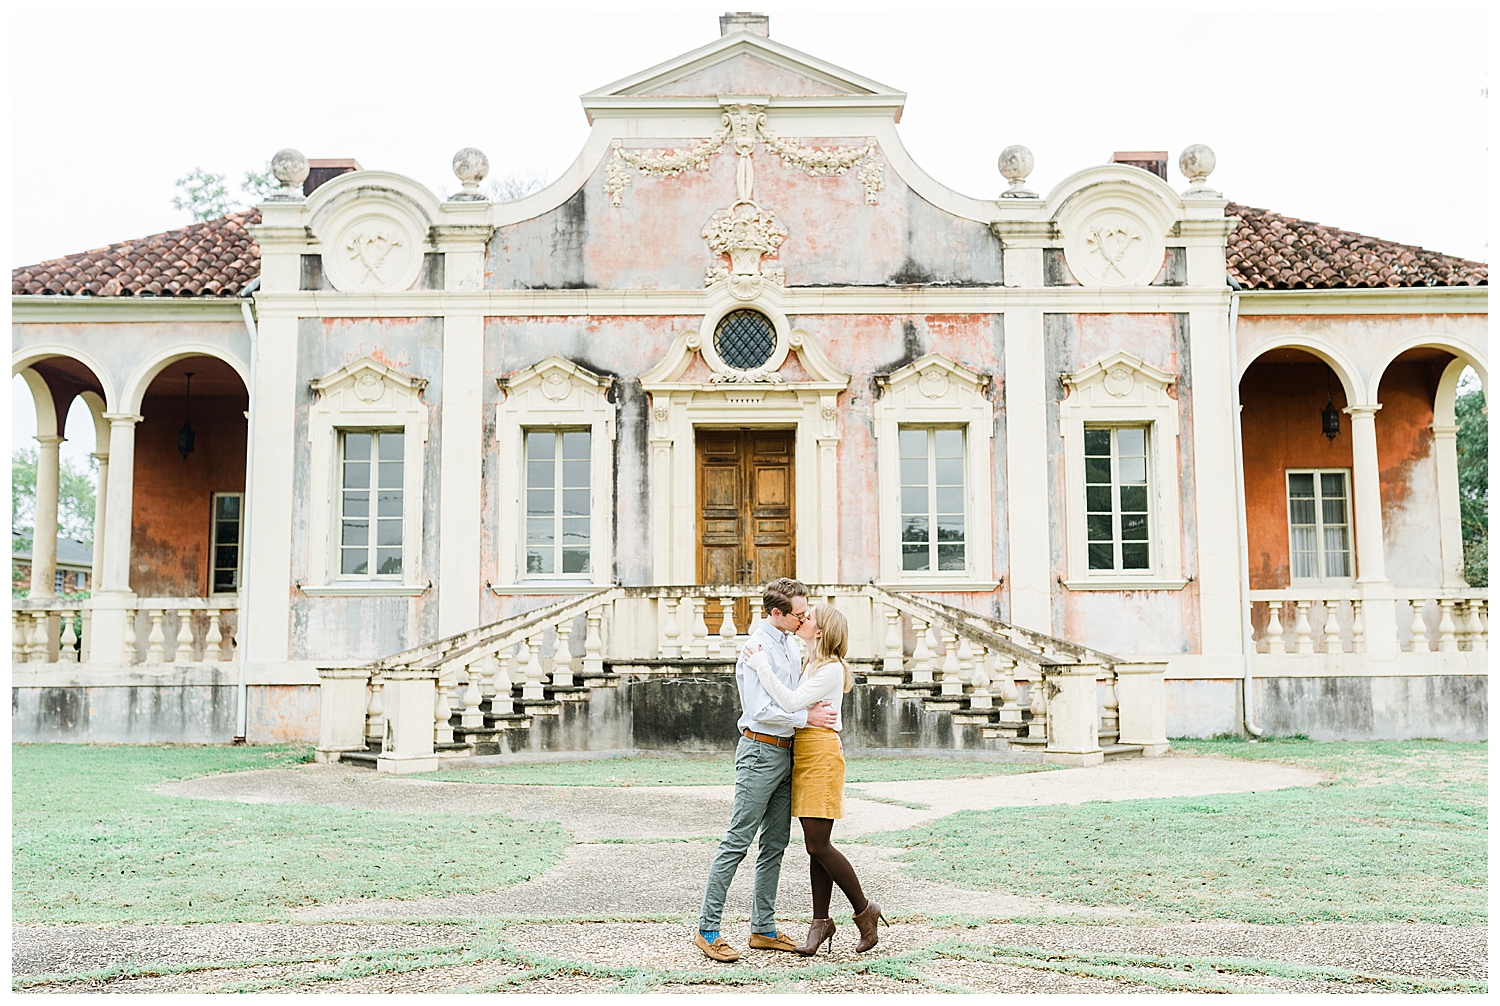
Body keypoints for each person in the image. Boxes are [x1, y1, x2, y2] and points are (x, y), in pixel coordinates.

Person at [693, 578, 838, 963]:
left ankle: (764, 929)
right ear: (777, 613)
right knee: (738, 841)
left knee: (775, 844)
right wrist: (805, 717)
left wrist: (805, 714)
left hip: (788, 752)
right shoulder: (755, 648)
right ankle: (708, 930)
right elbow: (760, 711)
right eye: (799, 614)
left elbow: (795, 692)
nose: (804, 619)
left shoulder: (789, 644)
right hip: (760, 751)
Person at [745, 603, 887, 955]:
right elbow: (799, 708)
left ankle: (864, 910)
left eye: (808, 619)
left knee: (817, 844)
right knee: (815, 842)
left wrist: (760, 664)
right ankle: (821, 921)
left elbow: (791, 701)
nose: (802, 620)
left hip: (821, 756)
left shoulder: (830, 670)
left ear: (820, 631)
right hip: (805, 753)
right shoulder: (810, 661)